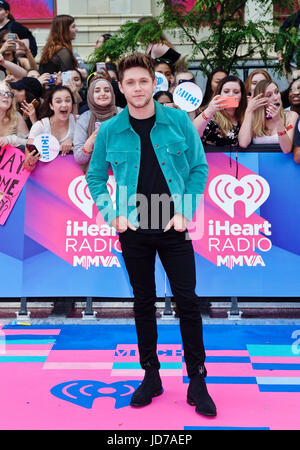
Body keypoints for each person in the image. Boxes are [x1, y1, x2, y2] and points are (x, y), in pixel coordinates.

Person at [86, 52, 216, 417]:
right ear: (121, 87)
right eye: (130, 82)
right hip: (133, 227)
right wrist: (112, 214)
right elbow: (95, 177)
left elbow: (198, 167)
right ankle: (151, 376)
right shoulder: (110, 129)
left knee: (187, 302)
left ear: (154, 83)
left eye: (144, 80)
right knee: (143, 304)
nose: (138, 88)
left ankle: (198, 380)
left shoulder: (177, 120)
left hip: (173, 224)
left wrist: (184, 211)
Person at [73, 77, 121, 173]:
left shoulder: (122, 115)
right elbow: (79, 158)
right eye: (97, 91)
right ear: (91, 95)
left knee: (124, 188)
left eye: (107, 90)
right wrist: (92, 140)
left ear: (112, 94)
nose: (103, 93)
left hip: (121, 177)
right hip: (95, 179)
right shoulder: (84, 119)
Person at [24, 85, 75, 171]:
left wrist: (73, 142)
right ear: (51, 105)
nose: (64, 104)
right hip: (45, 176)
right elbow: (27, 166)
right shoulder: (39, 126)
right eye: (58, 101)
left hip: (72, 174)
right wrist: (31, 161)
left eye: (67, 100)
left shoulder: (80, 122)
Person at [238, 79, 298, 153]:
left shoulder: (291, 115)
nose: (276, 98)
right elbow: (243, 143)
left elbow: (286, 149)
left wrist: (278, 121)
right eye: (269, 95)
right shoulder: (253, 119)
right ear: (260, 100)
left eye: (277, 92)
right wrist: (249, 111)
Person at [194, 75, 247, 147]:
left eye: (236, 92)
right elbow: (192, 134)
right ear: (219, 94)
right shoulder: (211, 115)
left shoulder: (246, 115)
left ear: (242, 96)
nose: (231, 95)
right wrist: (209, 111)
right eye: (226, 91)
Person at [0, 79, 28, 148]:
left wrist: (10, 139)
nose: (6, 96)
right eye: (1, 93)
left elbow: (28, 142)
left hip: (8, 157)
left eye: (9, 94)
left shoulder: (16, 116)